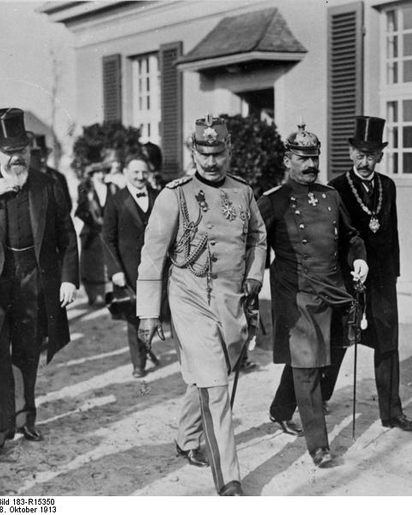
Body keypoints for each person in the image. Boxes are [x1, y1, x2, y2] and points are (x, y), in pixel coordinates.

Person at [136, 115, 266, 496]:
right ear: (193, 151)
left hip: (231, 301)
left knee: (211, 374)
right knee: (215, 384)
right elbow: (151, 256)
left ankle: (186, 436)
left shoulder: (243, 192)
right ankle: (229, 479)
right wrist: (147, 314)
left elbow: (258, 238)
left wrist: (256, 275)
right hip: (189, 297)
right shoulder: (172, 195)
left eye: (218, 154)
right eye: (203, 154)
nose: (210, 162)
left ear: (229, 152)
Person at [0, 108, 78, 449]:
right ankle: (3, 427)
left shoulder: (46, 184)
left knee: (27, 353)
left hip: (32, 280)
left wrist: (68, 279)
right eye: (9, 152)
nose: (16, 157)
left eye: (22, 150)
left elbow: (67, 236)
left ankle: (26, 420)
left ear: (30, 149)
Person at [257, 122, 368, 468]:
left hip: (334, 291)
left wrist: (360, 258)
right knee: (306, 364)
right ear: (287, 160)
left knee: (331, 356)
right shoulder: (272, 201)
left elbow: (351, 237)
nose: (309, 165)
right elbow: (254, 244)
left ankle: (279, 410)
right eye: (301, 159)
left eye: (314, 159)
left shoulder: (331, 197)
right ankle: (319, 446)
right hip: (298, 294)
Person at [323, 116, 412, 431]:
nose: (366, 162)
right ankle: (321, 397)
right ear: (351, 153)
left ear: (380, 155)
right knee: (339, 339)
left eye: (372, 155)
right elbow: (334, 239)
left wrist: (392, 274)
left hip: (381, 280)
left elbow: (391, 233)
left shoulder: (387, 186)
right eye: (360, 154)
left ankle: (391, 412)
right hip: (348, 279)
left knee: (387, 342)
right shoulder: (336, 188)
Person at [102, 153, 159, 378]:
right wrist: (115, 270)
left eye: (144, 172)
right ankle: (139, 363)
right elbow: (107, 238)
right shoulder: (116, 201)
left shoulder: (159, 197)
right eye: (135, 172)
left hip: (156, 267)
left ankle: (148, 349)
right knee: (135, 317)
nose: (140, 176)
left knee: (155, 314)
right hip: (129, 270)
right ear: (126, 173)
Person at [75, 161, 118, 305]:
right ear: (92, 175)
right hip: (91, 233)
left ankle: (110, 294)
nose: (101, 175)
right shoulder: (84, 188)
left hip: (108, 231)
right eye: (98, 172)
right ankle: (93, 295)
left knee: (109, 262)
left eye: (104, 172)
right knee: (92, 265)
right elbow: (80, 210)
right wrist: (94, 222)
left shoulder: (112, 188)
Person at [30, 134, 73, 212]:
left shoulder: (58, 177)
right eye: (39, 155)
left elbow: (68, 205)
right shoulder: (28, 178)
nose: (42, 159)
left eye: (44, 154)